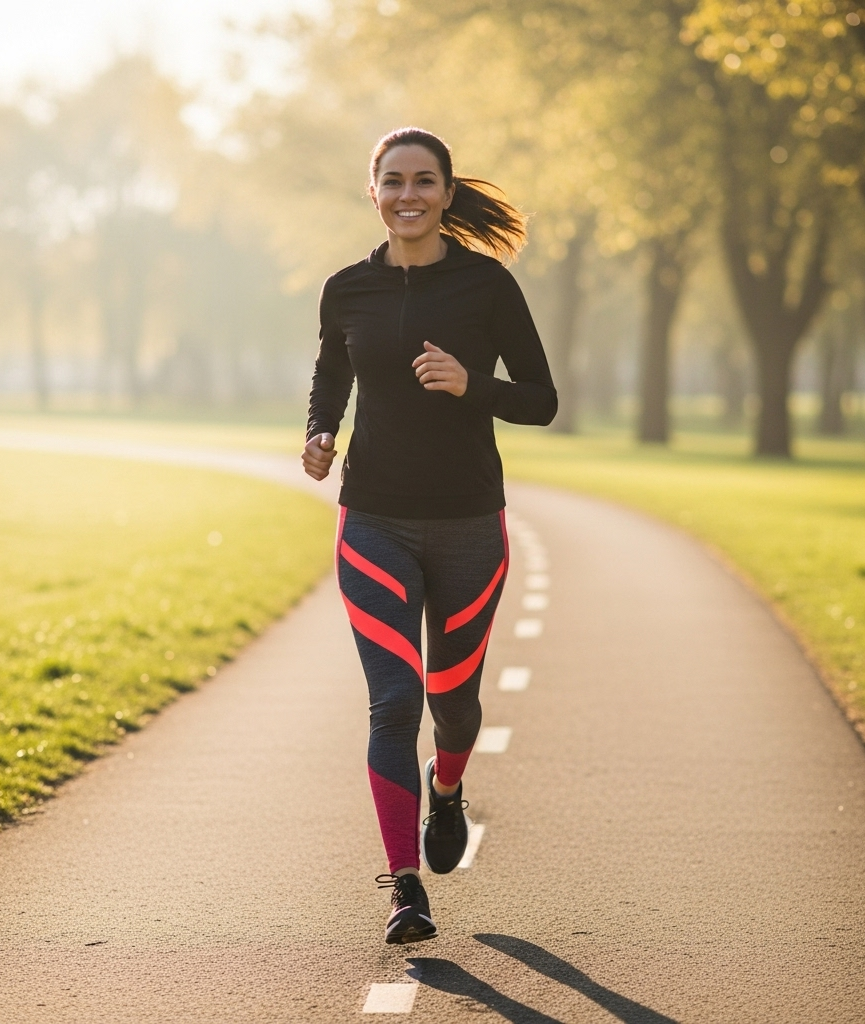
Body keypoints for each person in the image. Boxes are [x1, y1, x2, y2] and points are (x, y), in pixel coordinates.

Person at [302, 126, 557, 944]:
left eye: (424, 181)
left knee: (452, 704)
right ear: (372, 192)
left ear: (447, 193)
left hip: (470, 528)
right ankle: (404, 887)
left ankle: (446, 788)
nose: (407, 195)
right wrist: (319, 433)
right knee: (394, 699)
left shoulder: (487, 286)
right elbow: (332, 371)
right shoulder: (346, 288)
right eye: (393, 181)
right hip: (372, 519)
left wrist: (469, 384)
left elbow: (543, 399)